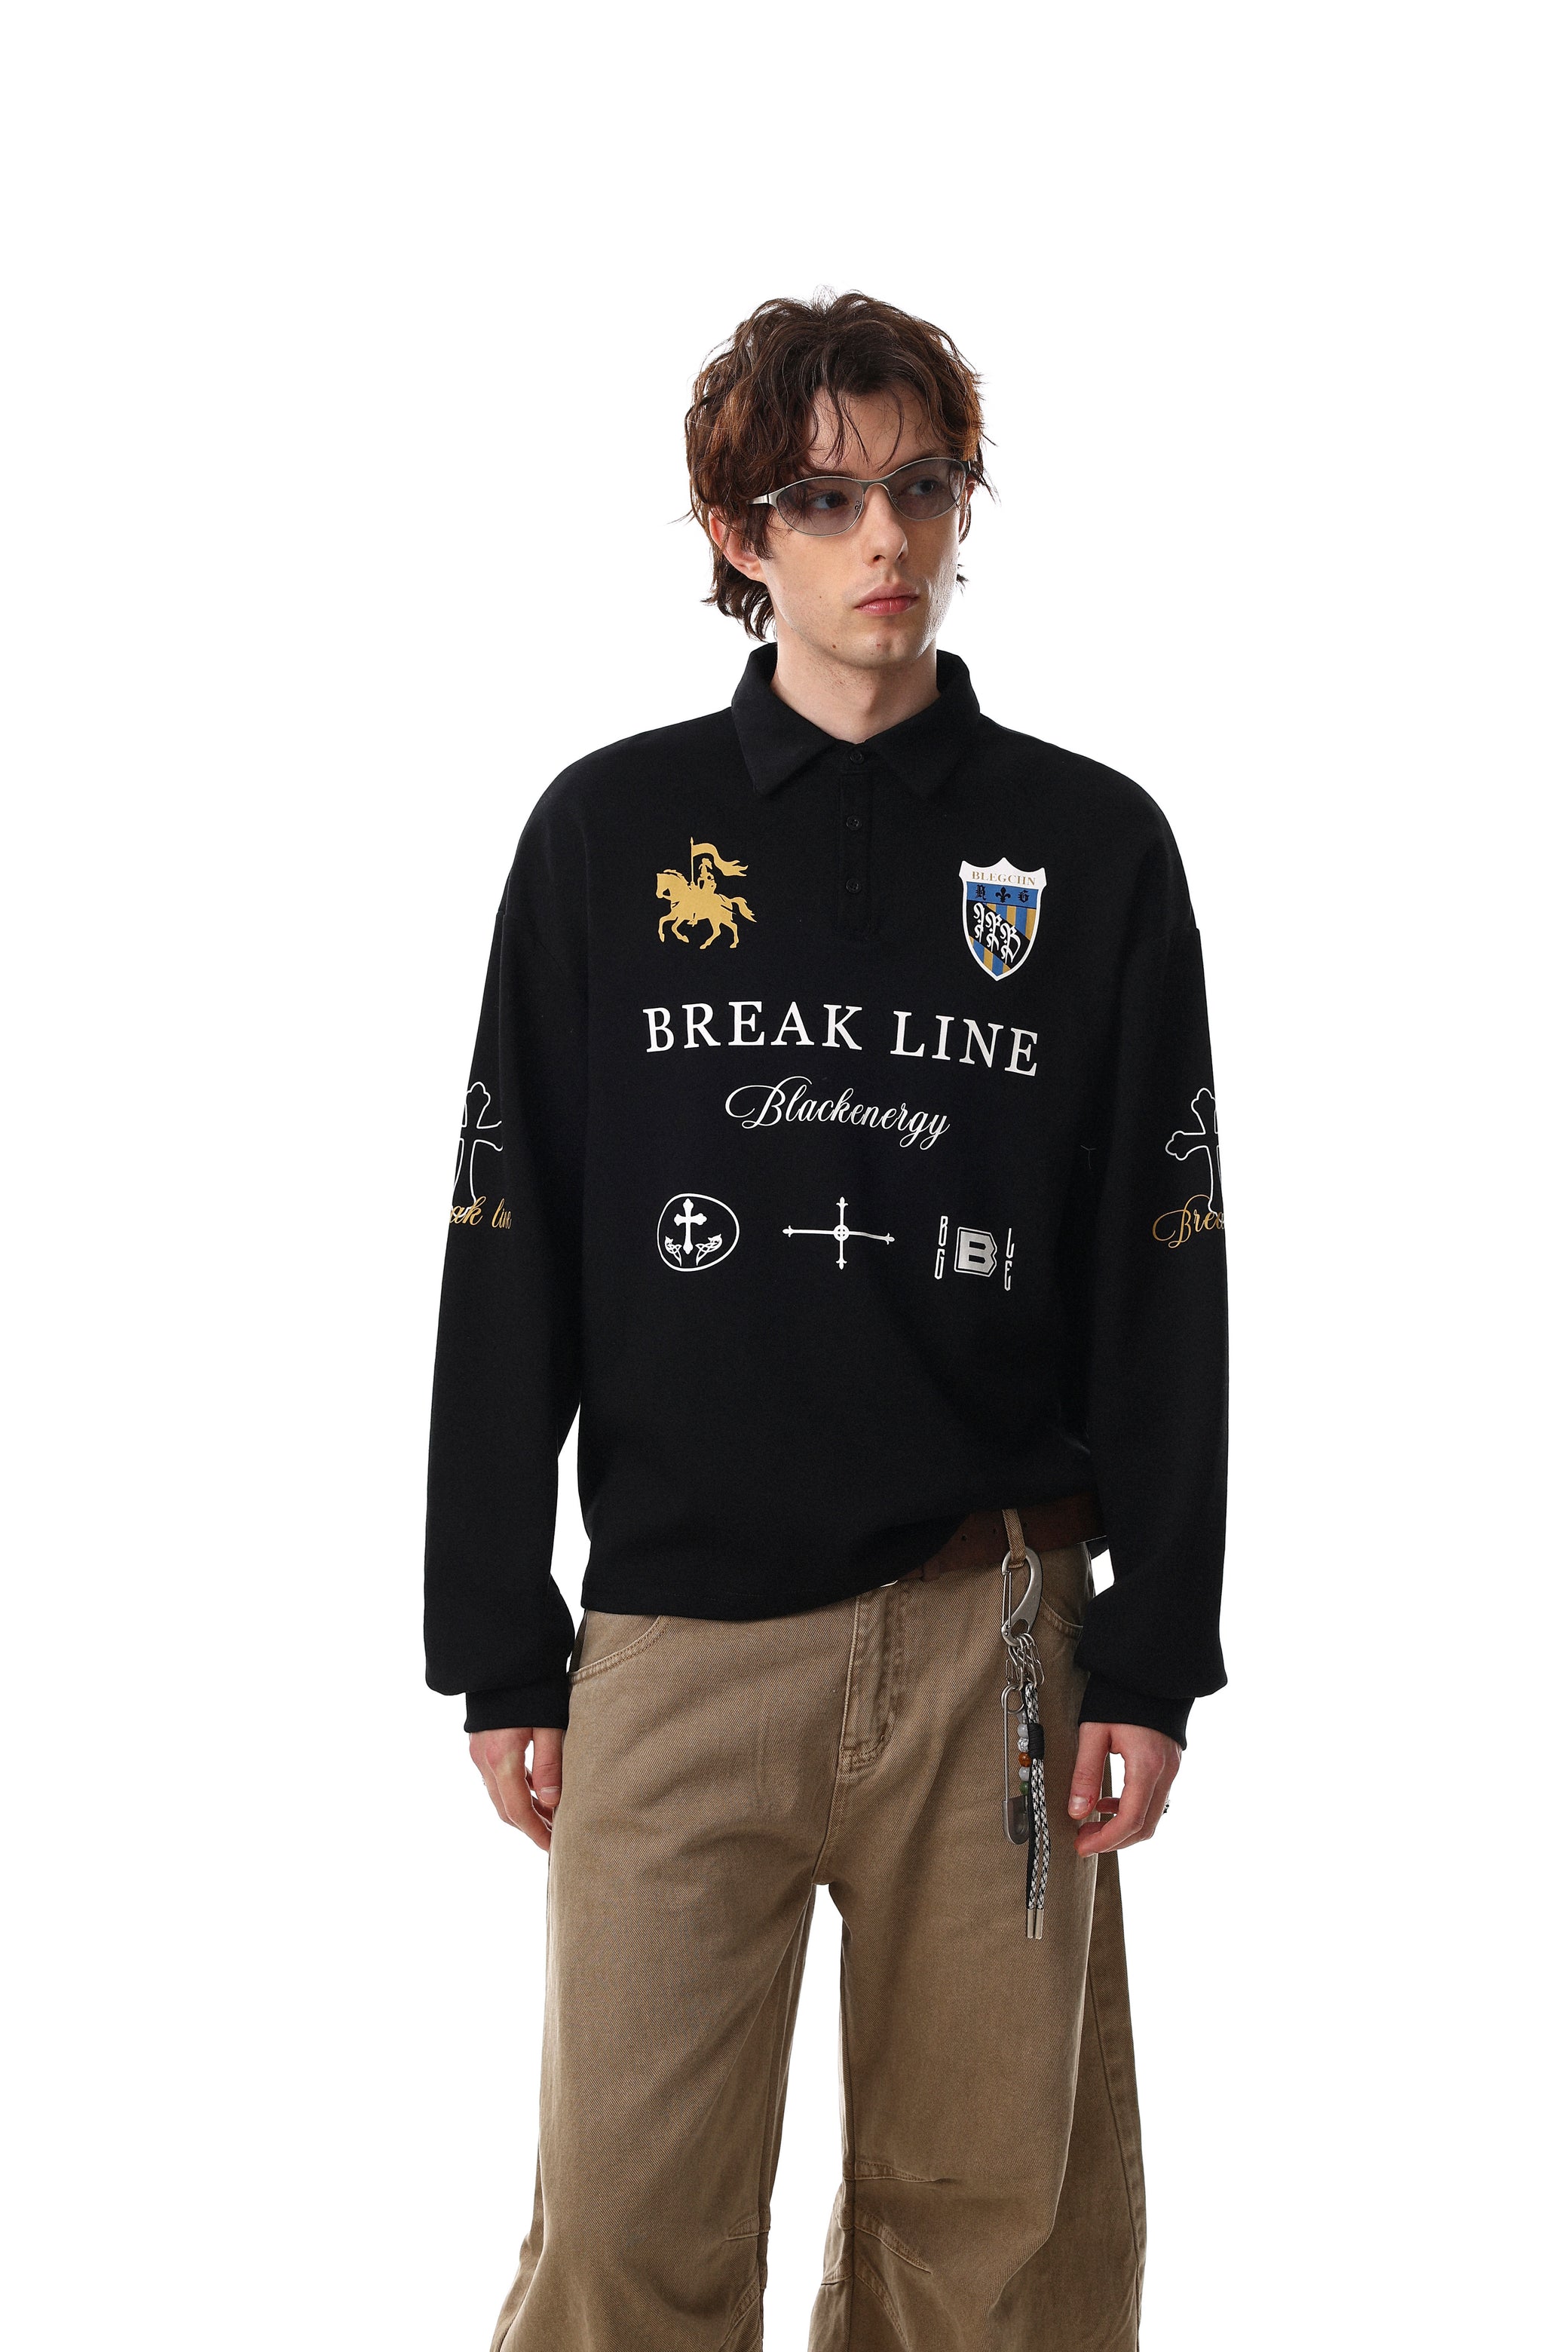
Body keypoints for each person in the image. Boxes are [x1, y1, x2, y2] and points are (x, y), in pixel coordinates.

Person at [424, 289, 1228, 2352]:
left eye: (925, 487)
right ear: (737, 532)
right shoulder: (609, 837)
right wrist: (494, 1630)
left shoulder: (1091, 849)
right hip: (677, 1647)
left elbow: (1163, 1266)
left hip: (999, 1643)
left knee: (990, 2247)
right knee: (624, 2242)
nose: (888, 539)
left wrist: (1155, 1647)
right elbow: (511, 1233)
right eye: (825, 497)